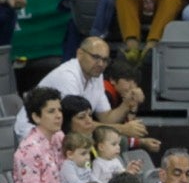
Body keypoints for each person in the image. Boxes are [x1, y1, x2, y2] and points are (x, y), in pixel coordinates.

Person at [14, 38, 147, 141]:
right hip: (33, 132)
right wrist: (123, 129)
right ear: (80, 53)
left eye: (105, 60)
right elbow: (78, 124)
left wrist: (127, 103)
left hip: (61, 133)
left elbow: (106, 118)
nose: (101, 64)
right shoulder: (67, 76)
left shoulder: (96, 75)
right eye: (95, 57)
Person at [13, 86, 68, 183]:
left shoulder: (59, 137)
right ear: (36, 117)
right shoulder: (27, 151)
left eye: (60, 110)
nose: (59, 115)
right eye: (51, 111)